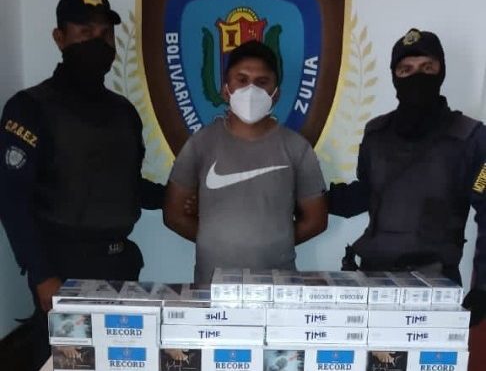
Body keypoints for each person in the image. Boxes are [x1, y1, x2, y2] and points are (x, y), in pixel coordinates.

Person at [0, 0, 165, 368]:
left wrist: (176, 195)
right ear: (60, 38)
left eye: (105, 33)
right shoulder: (30, 108)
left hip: (119, 267)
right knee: (64, 364)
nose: (97, 42)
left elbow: (127, 185)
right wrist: (42, 275)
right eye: (85, 32)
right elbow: (12, 199)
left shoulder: (123, 112)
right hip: (61, 269)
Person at [328, 28, 486, 326]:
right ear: (394, 76)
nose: (417, 77)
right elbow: (369, 192)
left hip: (435, 287)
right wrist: (313, 200)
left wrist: (483, 289)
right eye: (406, 69)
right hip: (373, 282)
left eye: (427, 67)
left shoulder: (472, 138)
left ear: (441, 71)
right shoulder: (376, 133)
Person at [164, 40, 328, 283]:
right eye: (242, 80)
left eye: (262, 82)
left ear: (276, 93)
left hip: (278, 284)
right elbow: (174, 214)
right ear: (225, 90)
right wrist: (215, 242)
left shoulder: (297, 147)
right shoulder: (200, 143)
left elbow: (317, 220)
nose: (251, 90)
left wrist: (275, 244)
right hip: (212, 284)